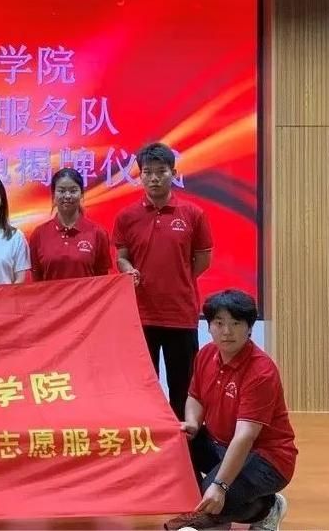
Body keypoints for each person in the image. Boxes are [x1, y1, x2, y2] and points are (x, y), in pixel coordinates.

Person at [164, 290, 295, 531]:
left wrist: (220, 485)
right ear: (209, 326)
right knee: (178, 440)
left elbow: (245, 436)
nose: (226, 331)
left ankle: (267, 509)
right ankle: (213, 509)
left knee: (213, 490)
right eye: (219, 323)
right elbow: (195, 396)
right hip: (222, 445)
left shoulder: (261, 371)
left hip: (268, 458)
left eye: (235, 323)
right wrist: (193, 422)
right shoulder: (206, 354)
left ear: (249, 328)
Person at [113, 142, 213, 420]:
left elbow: (202, 260)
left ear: (174, 173)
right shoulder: (126, 216)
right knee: (143, 386)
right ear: (140, 175)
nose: (154, 178)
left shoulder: (193, 214)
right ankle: (150, 440)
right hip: (140, 315)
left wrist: (177, 277)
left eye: (161, 171)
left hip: (180, 314)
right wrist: (128, 269)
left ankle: (185, 443)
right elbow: (121, 258)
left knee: (183, 387)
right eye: (147, 172)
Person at [28, 168, 112, 280]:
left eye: (73, 191)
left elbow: (102, 279)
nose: (67, 196)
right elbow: (36, 278)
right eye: (61, 191)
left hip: (87, 293)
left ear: (81, 194)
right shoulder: (39, 234)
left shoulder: (98, 233)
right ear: (53, 195)